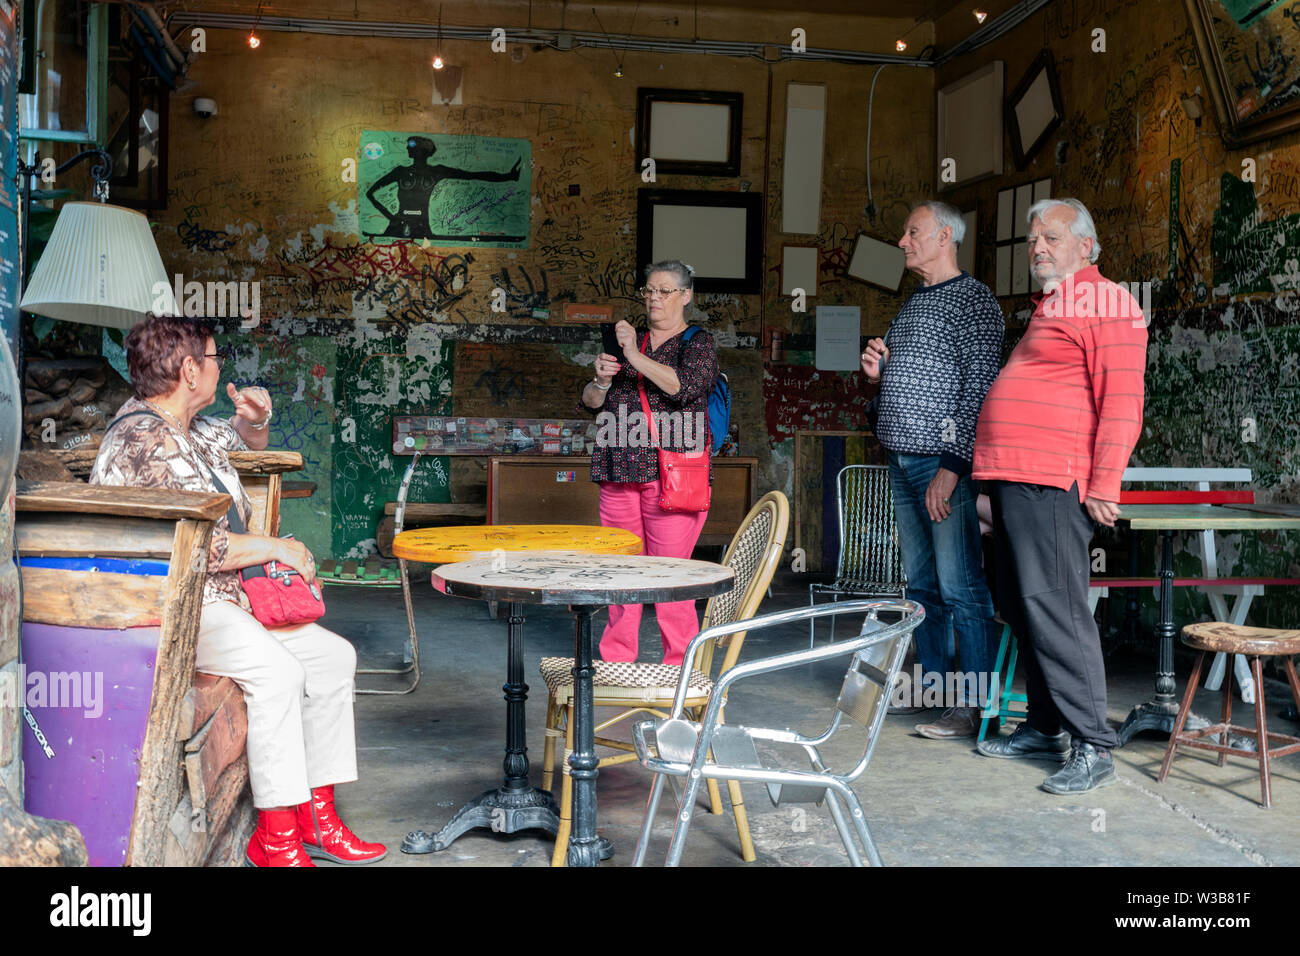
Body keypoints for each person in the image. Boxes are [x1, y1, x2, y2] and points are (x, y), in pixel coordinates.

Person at [90, 313, 387, 866]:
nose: (219, 366)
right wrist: (278, 548)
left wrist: (257, 420)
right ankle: (275, 840)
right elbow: (200, 550)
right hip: (173, 608)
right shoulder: (143, 440)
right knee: (280, 673)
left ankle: (315, 818)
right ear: (188, 369)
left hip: (226, 602)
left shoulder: (187, 427)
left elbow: (238, 439)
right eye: (214, 357)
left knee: (330, 657)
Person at [973, 198, 1148, 794]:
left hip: (1054, 479)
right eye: (1032, 240)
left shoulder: (1108, 302)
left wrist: (1105, 483)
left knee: (1059, 609)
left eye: (1050, 238)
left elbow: (1123, 401)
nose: (1038, 248)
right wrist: (988, 482)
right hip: (1016, 477)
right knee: (1024, 608)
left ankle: (1093, 745)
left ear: (1085, 246)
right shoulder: (1054, 305)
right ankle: (1045, 725)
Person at [860, 200, 1003, 739]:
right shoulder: (916, 302)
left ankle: (971, 708)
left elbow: (979, 392)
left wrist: (952, 467)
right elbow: (916, 381)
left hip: (940, 467)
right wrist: (880, 376)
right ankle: (936, 693)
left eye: (911, 231)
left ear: (944, 236)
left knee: (961, 586)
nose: (902, 241)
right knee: (921, 587)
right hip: (902, 460)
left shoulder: (974, 301)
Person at [578, 260, 719, 665]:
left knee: (669, 578)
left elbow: (683, 387)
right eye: (649, 291)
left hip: (671, 476)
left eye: (664, 291)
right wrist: (601, 380)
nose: (654, 298)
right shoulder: (631, 341)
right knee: (622, 576)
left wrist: (631, 356)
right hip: (618, 469)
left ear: (686, 295)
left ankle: (680, 669)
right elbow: (590, 403)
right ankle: (617, 661)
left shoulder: (698, 342)